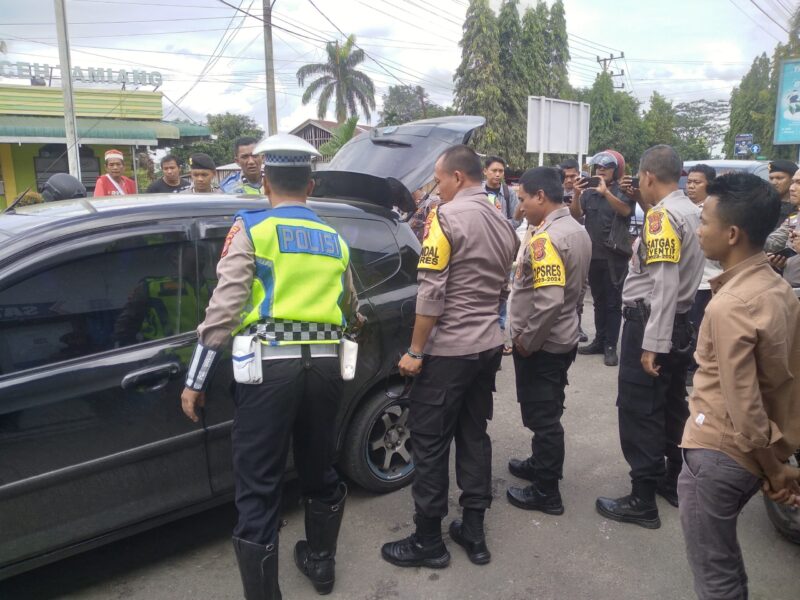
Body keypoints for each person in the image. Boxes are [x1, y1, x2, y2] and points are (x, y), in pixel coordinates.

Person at [179, 134, 360, 599]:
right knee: (320, 469)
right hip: (324, 368)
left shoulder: (252, 229)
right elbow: (352, 308)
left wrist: (195, 380)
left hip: (267, 372)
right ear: (311, 185)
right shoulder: (333, 237)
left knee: (259, 487)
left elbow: (223, 312)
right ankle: (321, 566)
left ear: (265, 183)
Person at [381, 145, 518, 568]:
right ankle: (473, 533)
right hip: (486, 347)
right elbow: (500, 288)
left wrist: (415, 350)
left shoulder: (445, 218)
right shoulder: (503, 220)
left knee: (430, 442)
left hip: (448, 352)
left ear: (457, 177)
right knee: (473, 436)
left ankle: (428, 542)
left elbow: (431, 291)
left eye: (439, 179)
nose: (437, 188)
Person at [678, 172, 800, 600]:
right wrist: (778, 464)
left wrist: (775, 472)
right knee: (725, 565)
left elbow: (746, 410)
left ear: (731, 233)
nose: (698, 230)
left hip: (722, 453)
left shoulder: (730, 305)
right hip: (755, 454)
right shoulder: (777, 287)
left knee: (716, 575)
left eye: (705, 222)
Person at [595, 145, 704, 529]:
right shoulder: (692, 210)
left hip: (652, 324)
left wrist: (651, 345)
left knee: (640, 408)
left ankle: (642, 498)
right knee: (672, 403)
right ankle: (673, 479)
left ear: (648, 177)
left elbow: (662, 283)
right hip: (678, 322)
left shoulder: (661, 219)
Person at [505, 167, 591, 515]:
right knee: (547, 408)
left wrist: (528, 340)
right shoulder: (576, 229)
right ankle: (539, 464)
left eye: (523, 199)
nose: (521, 207)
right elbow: (577, 289)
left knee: (543, 417)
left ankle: (546, 491)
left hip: (543, 343)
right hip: (563, 335)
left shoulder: (546, 239)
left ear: (540, 196)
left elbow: (550, 300)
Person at [571, 150, 636, 367]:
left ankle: (610, 345)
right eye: (598, 167)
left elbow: (626, 211)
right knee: (598, 301)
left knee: (613, 303)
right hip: (593, 254)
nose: (601, 170)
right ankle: (599, 340)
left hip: (614, 255)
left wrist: (606, 192)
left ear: (616, 169)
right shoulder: (589, 192)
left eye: (607, 167)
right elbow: (576, 215)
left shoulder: (623, 190)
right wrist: (577, 194)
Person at [684, 164, 720, 389]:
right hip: (689, 280)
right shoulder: (685, 209)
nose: (691, 186)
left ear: (710, 184)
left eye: (697, 182)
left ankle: (693, 367)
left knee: (698, 328)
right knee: (688, 325)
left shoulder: (714, 212)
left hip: (707, 280)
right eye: (689, 182)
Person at [560, 158, 589, 343]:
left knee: (580, 288)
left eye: (573, 175)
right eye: (566, 176)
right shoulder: (553, 192)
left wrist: (578, 196)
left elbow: (579, 217)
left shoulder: (587, 192)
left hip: (581, 245)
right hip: (560, 245)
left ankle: (576, 325)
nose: (570, 180)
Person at [767, 159, 797, 225]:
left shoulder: (797, 206)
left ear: (792, 180)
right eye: (771, 178)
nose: (774, 182)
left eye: (779, 178)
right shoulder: (765, 203)